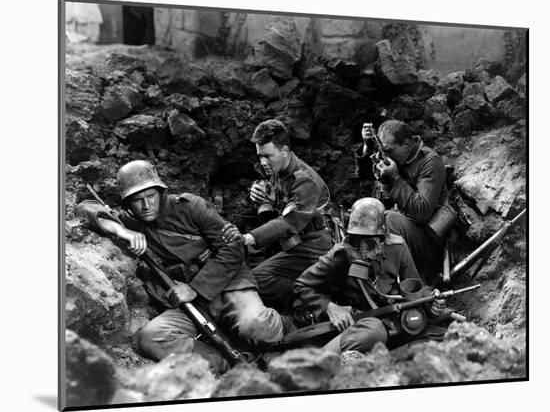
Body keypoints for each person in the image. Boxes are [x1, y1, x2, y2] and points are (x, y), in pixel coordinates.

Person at [75, 160, 285, 373]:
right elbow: (85, 208)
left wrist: (195, 288)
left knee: (257, 326)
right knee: (150, 338)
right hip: (185, 305)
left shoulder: (190, 206)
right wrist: (123, 232)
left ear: (160, 192)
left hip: (227, 287)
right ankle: (226, 363)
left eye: (151, 197)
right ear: (128, 203)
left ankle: (290, 327)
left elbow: (233, 248)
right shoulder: (131, 222)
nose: (147, 206)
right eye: (138, 200)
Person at [293, 198, 446, 354]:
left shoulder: (397, 247)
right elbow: (301, 285)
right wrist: (330, 307)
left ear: (382, 238)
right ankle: (322, 359)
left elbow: (414, 287)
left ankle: (387, 356)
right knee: (374, 331)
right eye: (357, 242)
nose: (363, 251)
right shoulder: (340, 256)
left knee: (442, 336)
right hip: (359, 326)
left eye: (370, 244)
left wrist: (431, 301)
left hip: (392, 320)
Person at [222, 119, 333, 311]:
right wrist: (260, 198)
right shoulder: (278, 170)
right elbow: (279, 205)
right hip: (296, 240)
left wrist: (250, 237)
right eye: (260, 156)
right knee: (247, 264)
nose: (263, 162)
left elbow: (290, 222)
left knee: (258, 279)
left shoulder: (304, 179)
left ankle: (310, 303)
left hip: (316, 244)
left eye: (267, 156)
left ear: (285, 151)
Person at [357, 119, 454, 280]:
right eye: (383, 151)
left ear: (407, 144)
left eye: (389, 151)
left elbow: (422, 212)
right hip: (407, 232)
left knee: (388, 220)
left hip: (429, 241)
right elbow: (364, 179)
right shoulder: (400, 157)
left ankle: (415, 285)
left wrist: (395, 178)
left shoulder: (430, 162)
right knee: (368, 214)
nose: (386, 156)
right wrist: (369, 148)